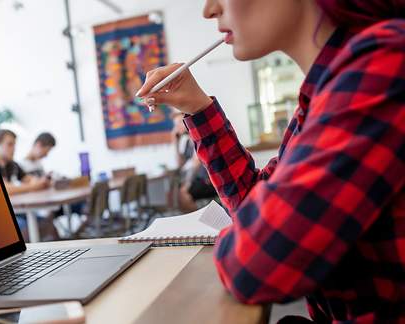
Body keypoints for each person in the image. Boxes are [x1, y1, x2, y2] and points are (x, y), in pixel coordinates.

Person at [137, 0, 405, 322]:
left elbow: (261, 261)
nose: (209, 10)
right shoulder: (325, 95)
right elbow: (255, 200)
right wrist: (198, 107)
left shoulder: (384, 65)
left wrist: (249, 235)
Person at [0, 129, 59, 240]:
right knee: (26, 226)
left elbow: (30, 179)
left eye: (14, 144)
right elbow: (5, 189)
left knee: (46, 223)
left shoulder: (13, 165)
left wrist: (41, 181)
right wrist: (34, 186)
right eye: (9, 144)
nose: (13, 148)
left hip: (17, 210)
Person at [171, 111, 218, 212]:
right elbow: (180, 164)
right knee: (177, 192)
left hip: (210, 180)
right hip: (199, 178)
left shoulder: (197, 137)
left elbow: (195, 164)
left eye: (180, 122)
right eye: (175, 124)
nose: (177, 127)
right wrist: (176, 143)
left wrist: (187, 185)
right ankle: (192, 218)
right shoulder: (186, 141)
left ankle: (195, 220)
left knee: (183, 193)